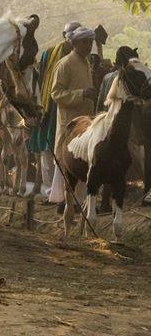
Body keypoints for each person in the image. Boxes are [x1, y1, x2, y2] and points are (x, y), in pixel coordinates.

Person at [28, 21, 80, 201]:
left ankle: (68, 192)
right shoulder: (49, 54)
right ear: (64, 34)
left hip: (72, 108)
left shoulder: (83, 57)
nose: (73, 36)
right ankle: (50, 190)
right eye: (70, 33)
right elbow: (40, 81)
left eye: (76, 33)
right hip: (49, 106)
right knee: (47, 148)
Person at [50, 26, 98, 204]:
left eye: (90, 42)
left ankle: (80, 202)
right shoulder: (65, 63)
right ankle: (60, 201)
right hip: (69, 122)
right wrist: (81, 94)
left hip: (85, 122)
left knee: (83, 162)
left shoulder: (86, 62)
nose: (88, 46)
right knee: (66, 162)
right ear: (75, 43)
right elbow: (55, 94)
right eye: (85, 42)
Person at [97, 46, 139, 114]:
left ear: (116, 62)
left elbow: (99, 106)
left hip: (107, 119)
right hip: (123, 121)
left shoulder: (107, 77)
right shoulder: (133, 80)